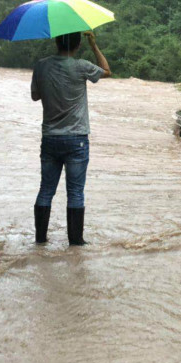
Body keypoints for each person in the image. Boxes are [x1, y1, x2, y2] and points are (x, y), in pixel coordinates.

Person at [31, 30, 111, 245]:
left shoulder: (41, 65)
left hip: (50, 137)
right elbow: (106, 70)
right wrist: (94, 45)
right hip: (77, 138)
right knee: (75, 192)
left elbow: (35, 96)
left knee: (46, 190)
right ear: (77, 46)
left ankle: (40, 240)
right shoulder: (82, 66)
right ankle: (75, 243)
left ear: (57, 42)